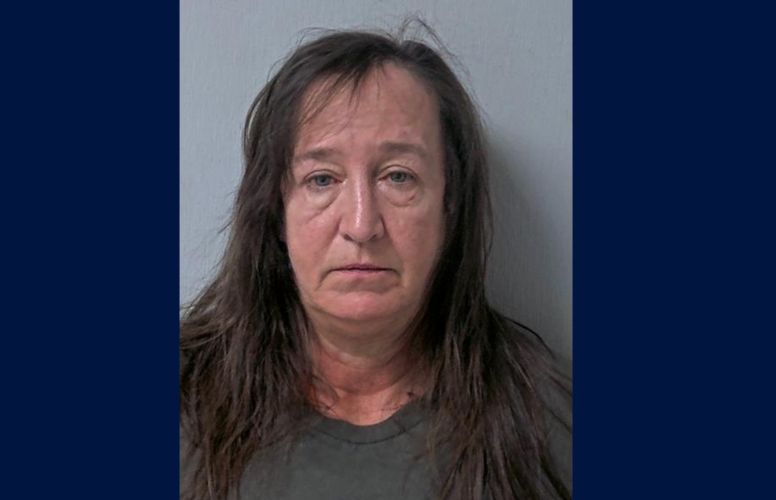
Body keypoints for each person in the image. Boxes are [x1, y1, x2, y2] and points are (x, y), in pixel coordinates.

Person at [181, 25, 571, 500]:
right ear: (276, 211)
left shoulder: (552, 425)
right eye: (322, 179)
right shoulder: (184, 402)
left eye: (398, 177)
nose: (362, 225)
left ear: (449, 206)